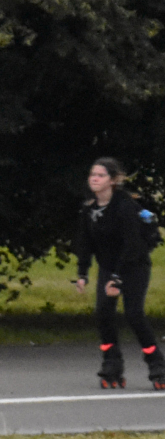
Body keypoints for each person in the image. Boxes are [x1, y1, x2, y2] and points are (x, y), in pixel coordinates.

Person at [76, 156, 162, 389]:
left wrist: (118, 277)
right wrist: (82, 273)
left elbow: (133, 245)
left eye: (101, 175)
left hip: (134, 266)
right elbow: (85, 243)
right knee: (103, 313)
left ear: (113, 181)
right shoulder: (89, 210)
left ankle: (157, 365)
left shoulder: (125, 206)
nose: (94, 178)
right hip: (108, 267)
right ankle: (112, 364)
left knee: (134, 315)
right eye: (92, 174)